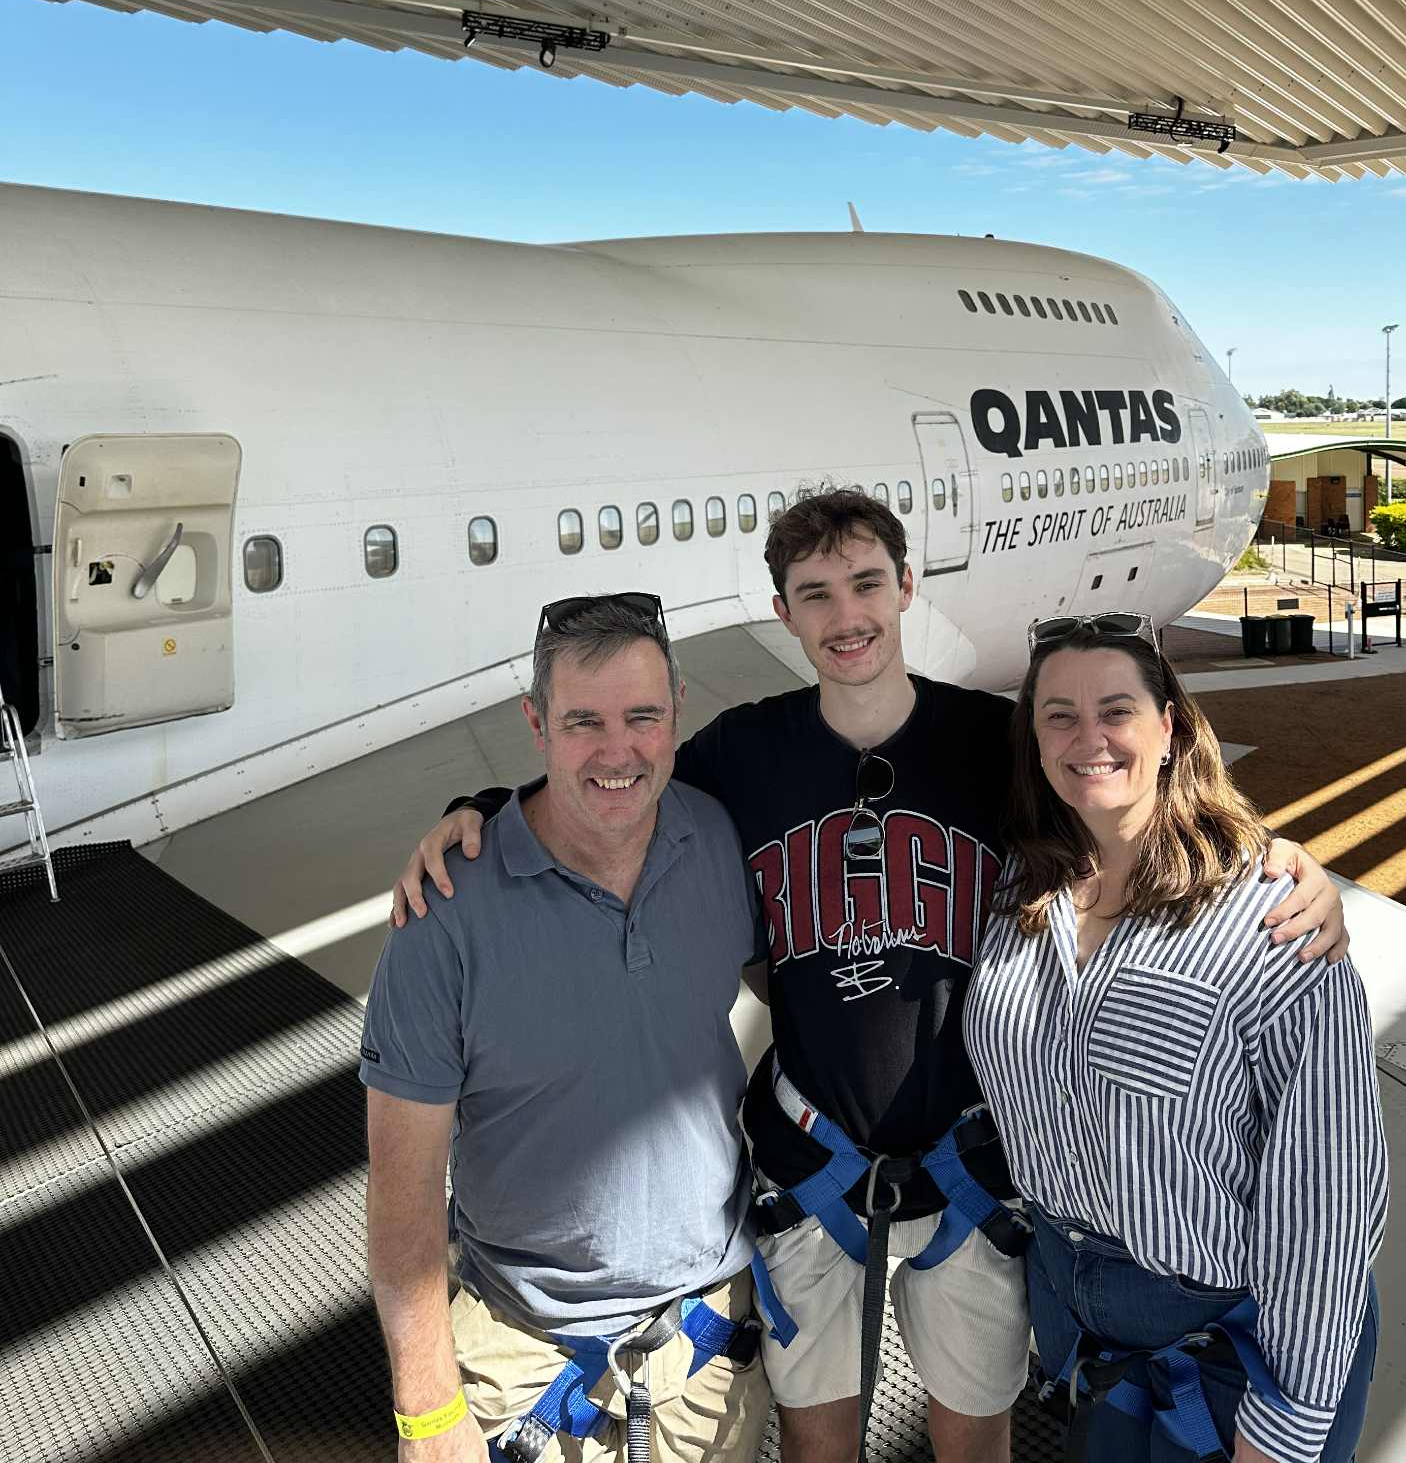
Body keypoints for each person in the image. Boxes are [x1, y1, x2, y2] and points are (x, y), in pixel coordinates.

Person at [395, 490, 1347, 1463]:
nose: (845, 615)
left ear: (905, 588)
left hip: (968, 1162)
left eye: (864, 585)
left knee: (974, 1433)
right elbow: (609, 784)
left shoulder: (992, 737)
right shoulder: (742, 751)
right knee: (818, 1437)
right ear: (784, 613)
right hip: (814, 1160)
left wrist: (1268, 860)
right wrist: (481, 809)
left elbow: (1125, 786)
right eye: (815, 593)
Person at [963, 613, 1387, 1463]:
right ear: (1035, 740)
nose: (1090, 739)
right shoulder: (1020, 889)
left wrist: (1289, 1418)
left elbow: (1330, 1194)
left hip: (1233, 1352)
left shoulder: (1269, 918)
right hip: (1085, 1329)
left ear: (1169, 727)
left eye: (1116, 710)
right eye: (1059, 716)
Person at [362, 594, 771, 1463]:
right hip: (525, 1356)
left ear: (677, 715)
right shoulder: (444, 918)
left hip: (707, 1345)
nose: (618, 752)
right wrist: (429, 1410)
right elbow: (402, 1187)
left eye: (643, 718)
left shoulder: (717, 842)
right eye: (583, 721)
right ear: (535, 723)